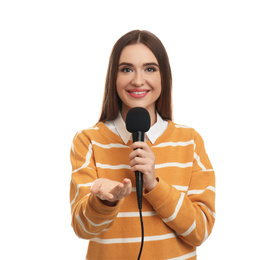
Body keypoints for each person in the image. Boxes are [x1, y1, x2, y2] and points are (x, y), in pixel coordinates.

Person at [70, 30, 215, 260]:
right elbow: (83, 229)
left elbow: (200, 231)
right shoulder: (89, 141)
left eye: (150, 69)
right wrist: (104, 202)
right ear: (113, 78)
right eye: (126, 69)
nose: (138, 80)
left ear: (163, 77)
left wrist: (154, 185)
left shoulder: (190, 141)